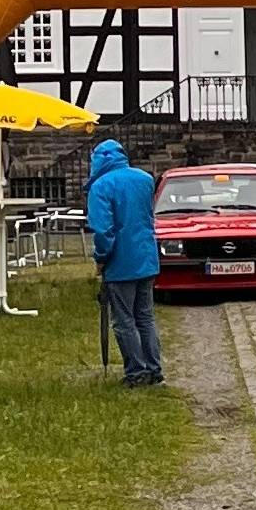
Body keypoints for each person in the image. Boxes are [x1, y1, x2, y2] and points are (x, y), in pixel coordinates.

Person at [87, 139, 163, 388]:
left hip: (121, 262)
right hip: (146, 257)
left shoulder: (100, 187)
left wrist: (101, 258)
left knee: (124, 321)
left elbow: (102, 230)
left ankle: (136, 371)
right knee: (145, 317)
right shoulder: (144, 179)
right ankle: (154, 368)